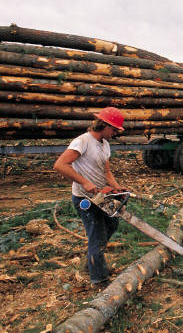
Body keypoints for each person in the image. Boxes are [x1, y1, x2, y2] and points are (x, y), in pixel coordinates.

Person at [54, 107, 126, 286]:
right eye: (114, 129)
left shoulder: (105, 144)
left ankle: (93, 262)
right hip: (85, 198)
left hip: (101, 197)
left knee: (112, 223)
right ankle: (99, 280)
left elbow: (106, 171)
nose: (115, 133)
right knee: (97, 236)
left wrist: (117, 188)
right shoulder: (82, 141)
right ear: (104, 125)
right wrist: (85, 182)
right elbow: (60, 165)